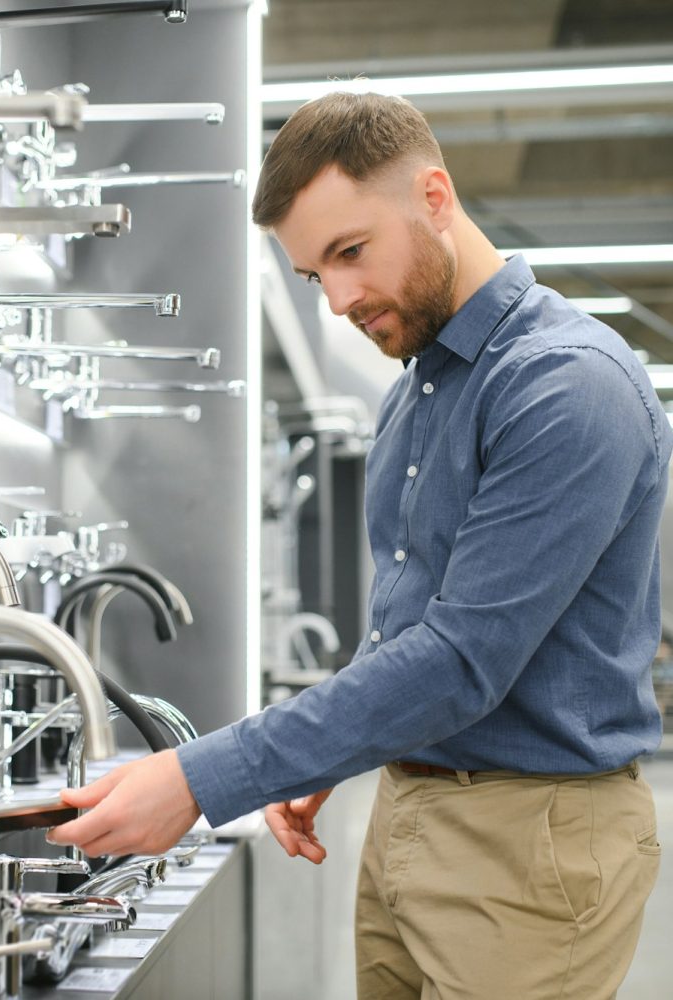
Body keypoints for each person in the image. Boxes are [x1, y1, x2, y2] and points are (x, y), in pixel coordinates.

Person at [47, 91, 668, 999]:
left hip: (530, 842)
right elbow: (408, 627)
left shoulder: (567, 386)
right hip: (411, 808)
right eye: (313, 277)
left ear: (434, 197)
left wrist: (199, 776)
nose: (339, 300)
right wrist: (332, 754)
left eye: (349, 253)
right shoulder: (416, 394)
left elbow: (461, 660)